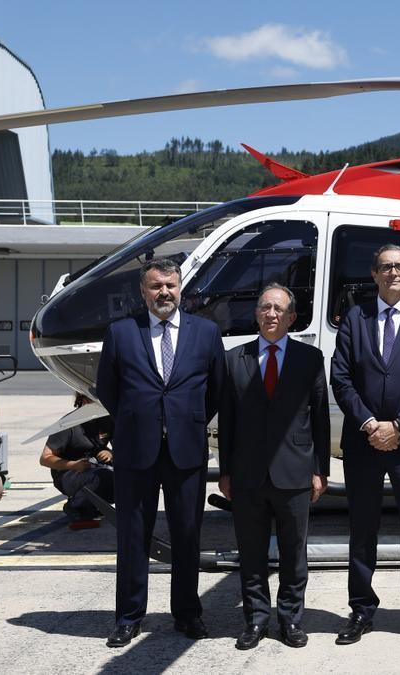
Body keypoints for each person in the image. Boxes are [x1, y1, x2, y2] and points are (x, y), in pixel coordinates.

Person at [95, 257, 225, 648]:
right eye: (156, 286)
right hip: (137, 452)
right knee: (134, 537)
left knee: (187, 535)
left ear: (180, 288)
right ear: (143, 291)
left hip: (186, 451)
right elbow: (107, 389)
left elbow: (216, 389)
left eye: (170, 285)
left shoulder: (206, 332)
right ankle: (129, 617)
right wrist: (137, 420)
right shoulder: (121, 333)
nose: (163, 292)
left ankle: (187, 614)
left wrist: (186, 419)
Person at [330, 244, 400, 645]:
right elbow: (341, 379)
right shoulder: (354, 319)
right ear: (375, 275)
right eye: (385, 267)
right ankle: (361, 609)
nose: (393, 273)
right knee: (362, 530)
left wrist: (398, 425)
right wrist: (368, 424)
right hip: (363, 442)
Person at [218, 284, 330, 650]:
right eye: (265, 307)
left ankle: (291, 620)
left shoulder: (310, 359)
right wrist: (225, 471)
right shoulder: (235, 359)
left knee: (293, 553)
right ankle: (255, 620)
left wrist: (320, 470)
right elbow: (228, 422)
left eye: (279, 309)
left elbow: (320, 421)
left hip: (295, 473)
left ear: (292, 318)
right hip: (248, 475)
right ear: (256, 314)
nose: (271, 314)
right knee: (251, 554)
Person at [39, 394, 116, 530]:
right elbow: (45, 458)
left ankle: (93, 504)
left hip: (96, 466)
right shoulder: (68, 424)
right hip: (68, 473)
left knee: (126, 477)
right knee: (101, 477)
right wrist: (73, 465)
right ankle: (75, 505)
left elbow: (124, 449)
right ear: (84, 401)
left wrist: (110, 453)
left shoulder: (106, 420)